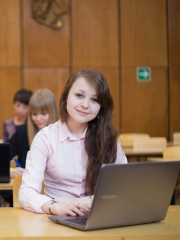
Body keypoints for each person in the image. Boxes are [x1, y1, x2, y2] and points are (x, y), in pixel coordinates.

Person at [19, 69, 128, 216]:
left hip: (100, 216)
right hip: (57, 218)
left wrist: (86, 202)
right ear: (66, 97)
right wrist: (55, 207)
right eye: (79, 95)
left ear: (101, 106)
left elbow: (123, 187)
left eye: (94, 100)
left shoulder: (109, 139)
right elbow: (27, 192)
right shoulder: (46, 137)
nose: (85, 105)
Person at [8, 88, 58, 179]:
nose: (38, 119)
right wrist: (9, 171)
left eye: (43, 114)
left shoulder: (64, 135)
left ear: (52, 112)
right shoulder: (21, 133)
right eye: (34, 114)